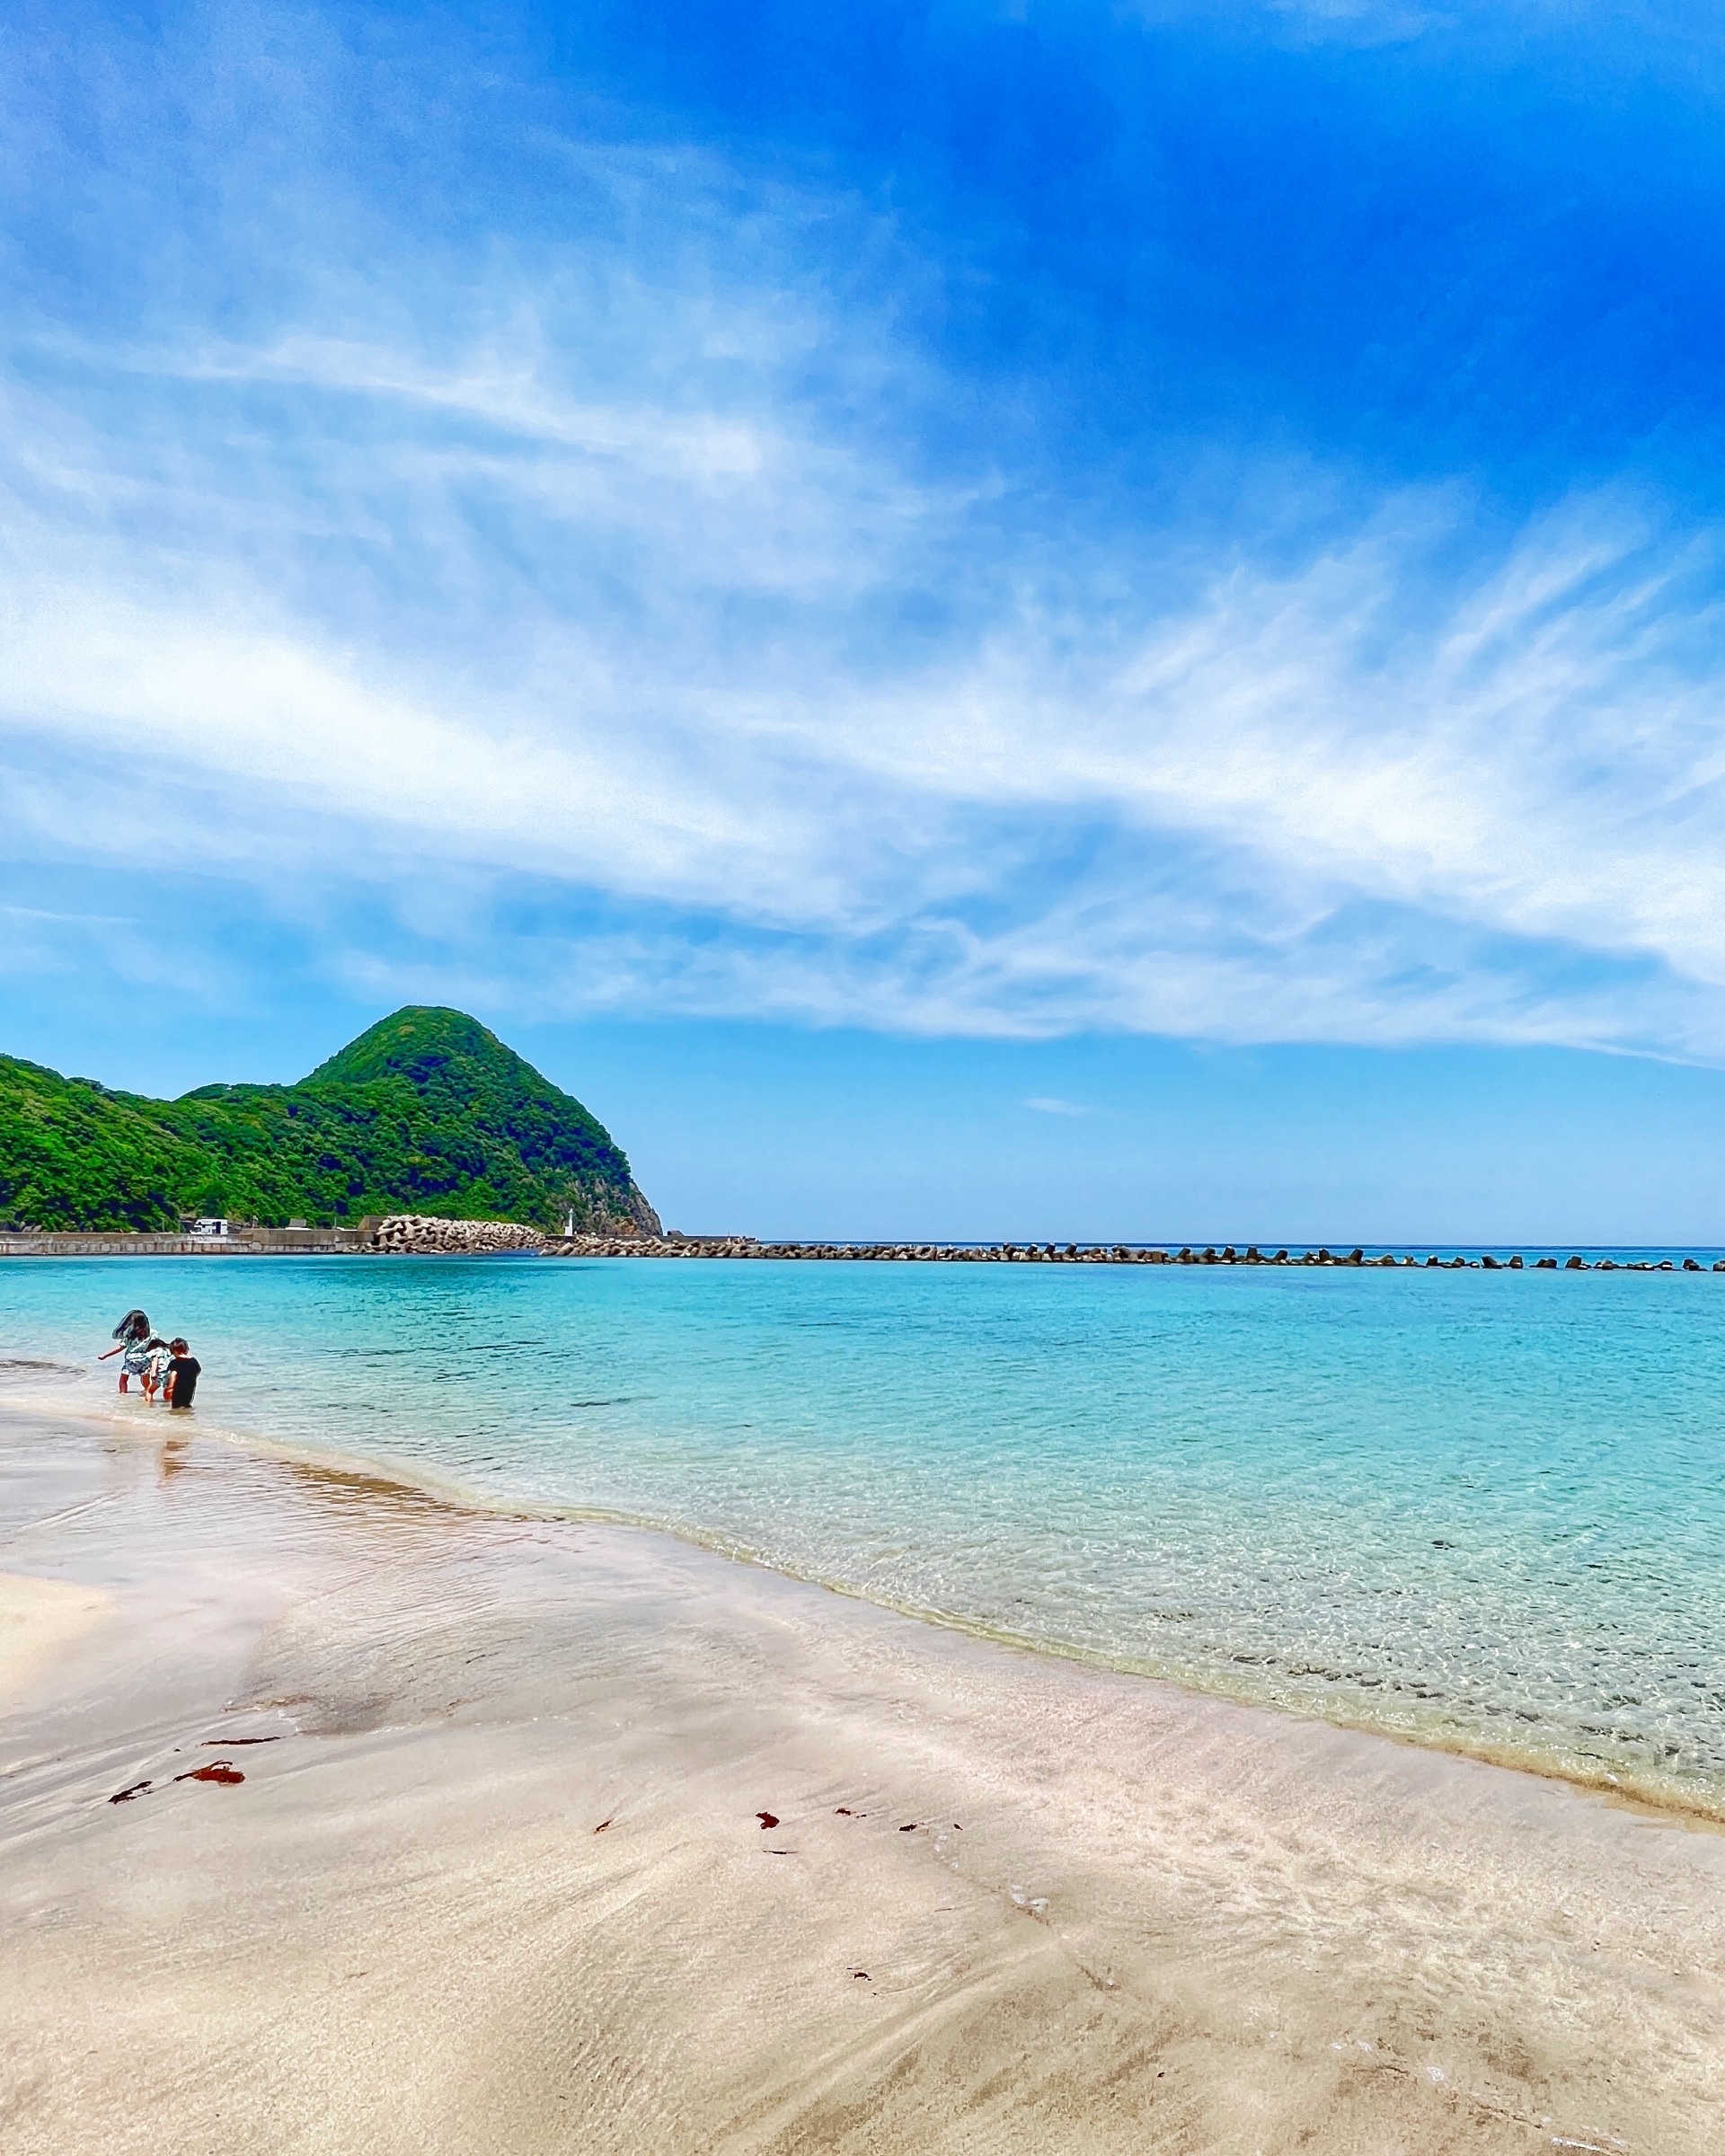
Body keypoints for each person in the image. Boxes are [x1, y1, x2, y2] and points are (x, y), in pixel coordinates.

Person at [98, 1311, 163, 1394]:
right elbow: (156, 1347)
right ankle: (147, 1392)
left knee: (123, 1380)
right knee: (145, 1379)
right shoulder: (152, 1333)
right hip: (144, 1360)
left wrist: (105, 1355)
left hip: (131, 1361)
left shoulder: (129, 1334)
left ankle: (123, 1394)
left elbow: (120, 1348)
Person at [163, 1339, 201, 1411]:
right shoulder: (194, 1361)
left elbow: (173, 1374)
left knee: (176, 1407)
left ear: (174, 1351)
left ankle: (178, 1420)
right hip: (190, 1388)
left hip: (178, 1389)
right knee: (186, 1404)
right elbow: (198, 1371)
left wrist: (170, 1387)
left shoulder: (175, 1362)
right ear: (186, 1349)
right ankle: (186, 1418)